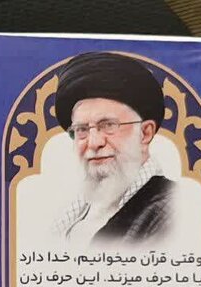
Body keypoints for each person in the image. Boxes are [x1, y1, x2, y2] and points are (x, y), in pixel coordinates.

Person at [53, 51, 175, 247]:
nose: (94, 142)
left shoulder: (170, 211)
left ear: (145, 133)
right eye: (82, 129)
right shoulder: (74, 212)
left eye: (108, 125)